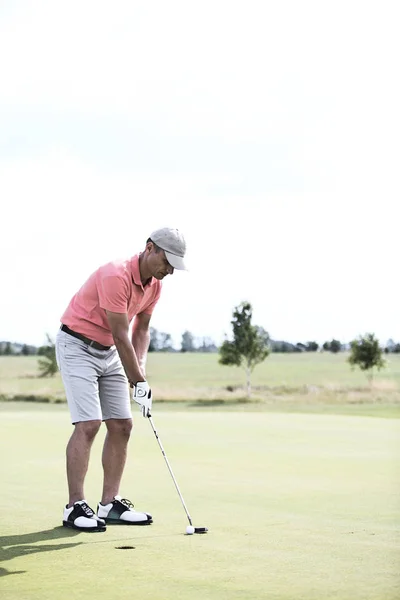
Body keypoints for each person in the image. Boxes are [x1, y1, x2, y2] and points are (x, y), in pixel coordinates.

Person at [55, 227, 187, 532]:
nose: (169, 271)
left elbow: (141, 330)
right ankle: (74, 506)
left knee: (122, 425)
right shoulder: (116, 274)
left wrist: (140, 375)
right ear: (150, 248)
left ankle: (109, 504)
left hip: (110, 351)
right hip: (77, 344)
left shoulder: (155, 286)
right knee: (88, 424)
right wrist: (137, 380)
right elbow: (120, 332)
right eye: (167, 262)